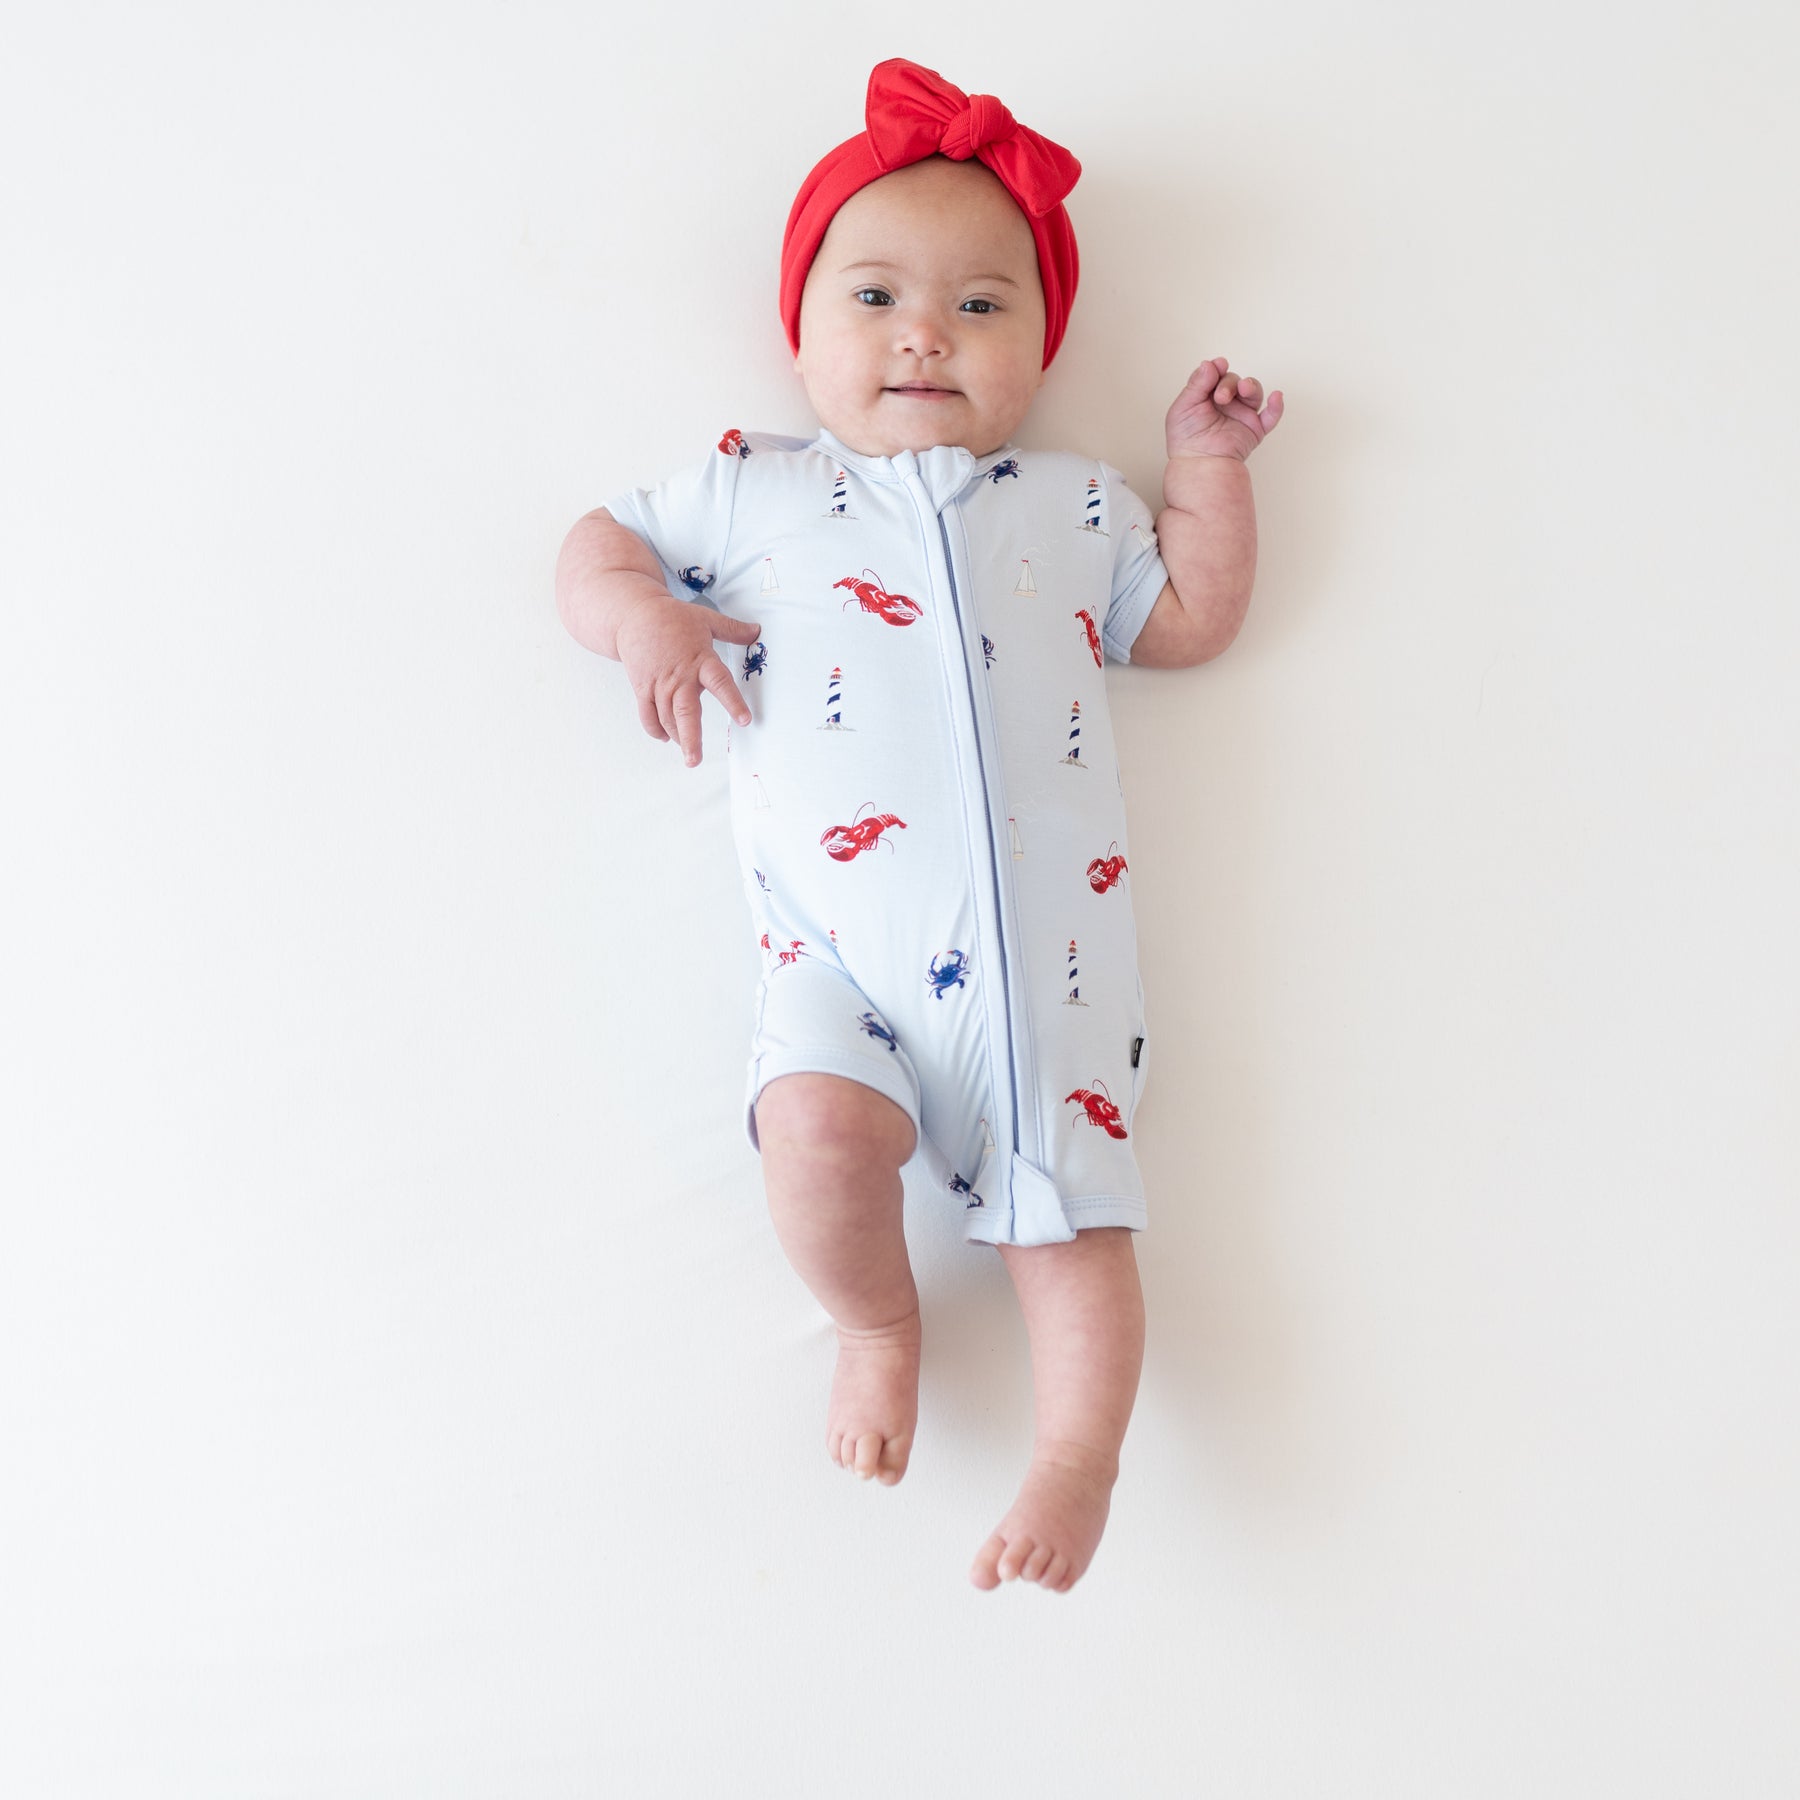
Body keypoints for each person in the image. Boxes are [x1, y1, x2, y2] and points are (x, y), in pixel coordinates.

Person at [554, 57, 1283, 1591]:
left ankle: (1078, 1457)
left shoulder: (1077, 506)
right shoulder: (754, 490)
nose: (924, 334)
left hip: (1047, 983)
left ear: (1041, 345)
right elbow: (598, 541)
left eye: (981, 305)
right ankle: (876, 1325)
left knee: (1076, 1233)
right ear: (803, 338)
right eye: (876, 295)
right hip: (839, 964)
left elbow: (1191, 624)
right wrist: (642, 626)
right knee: (814, 1133)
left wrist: (1205, 472)